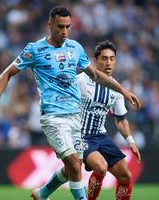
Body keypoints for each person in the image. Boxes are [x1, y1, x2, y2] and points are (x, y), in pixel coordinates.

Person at [0, 6, 141, 200]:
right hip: (53, 117)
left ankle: (42, 194)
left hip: (75, 118)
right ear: (49, 25)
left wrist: (123, 91)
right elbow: (7, 73)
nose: (65, 31)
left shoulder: (75, 48)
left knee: (71, 168)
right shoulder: (35, 49)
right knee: (75, 164)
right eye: (60, 26)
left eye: (68, 27)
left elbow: (96, 75)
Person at [35, 40, 142, 200]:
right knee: (100, 167)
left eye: (112, 59)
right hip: (79, 135)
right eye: (104, 58)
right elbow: (59, 104)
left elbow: (120, 119)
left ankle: (42, 193)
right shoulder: (79, 81)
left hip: (100, 135)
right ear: (95, 60)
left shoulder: (116, 88)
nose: (108, 63)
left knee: (125, 175)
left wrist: (130, 141)